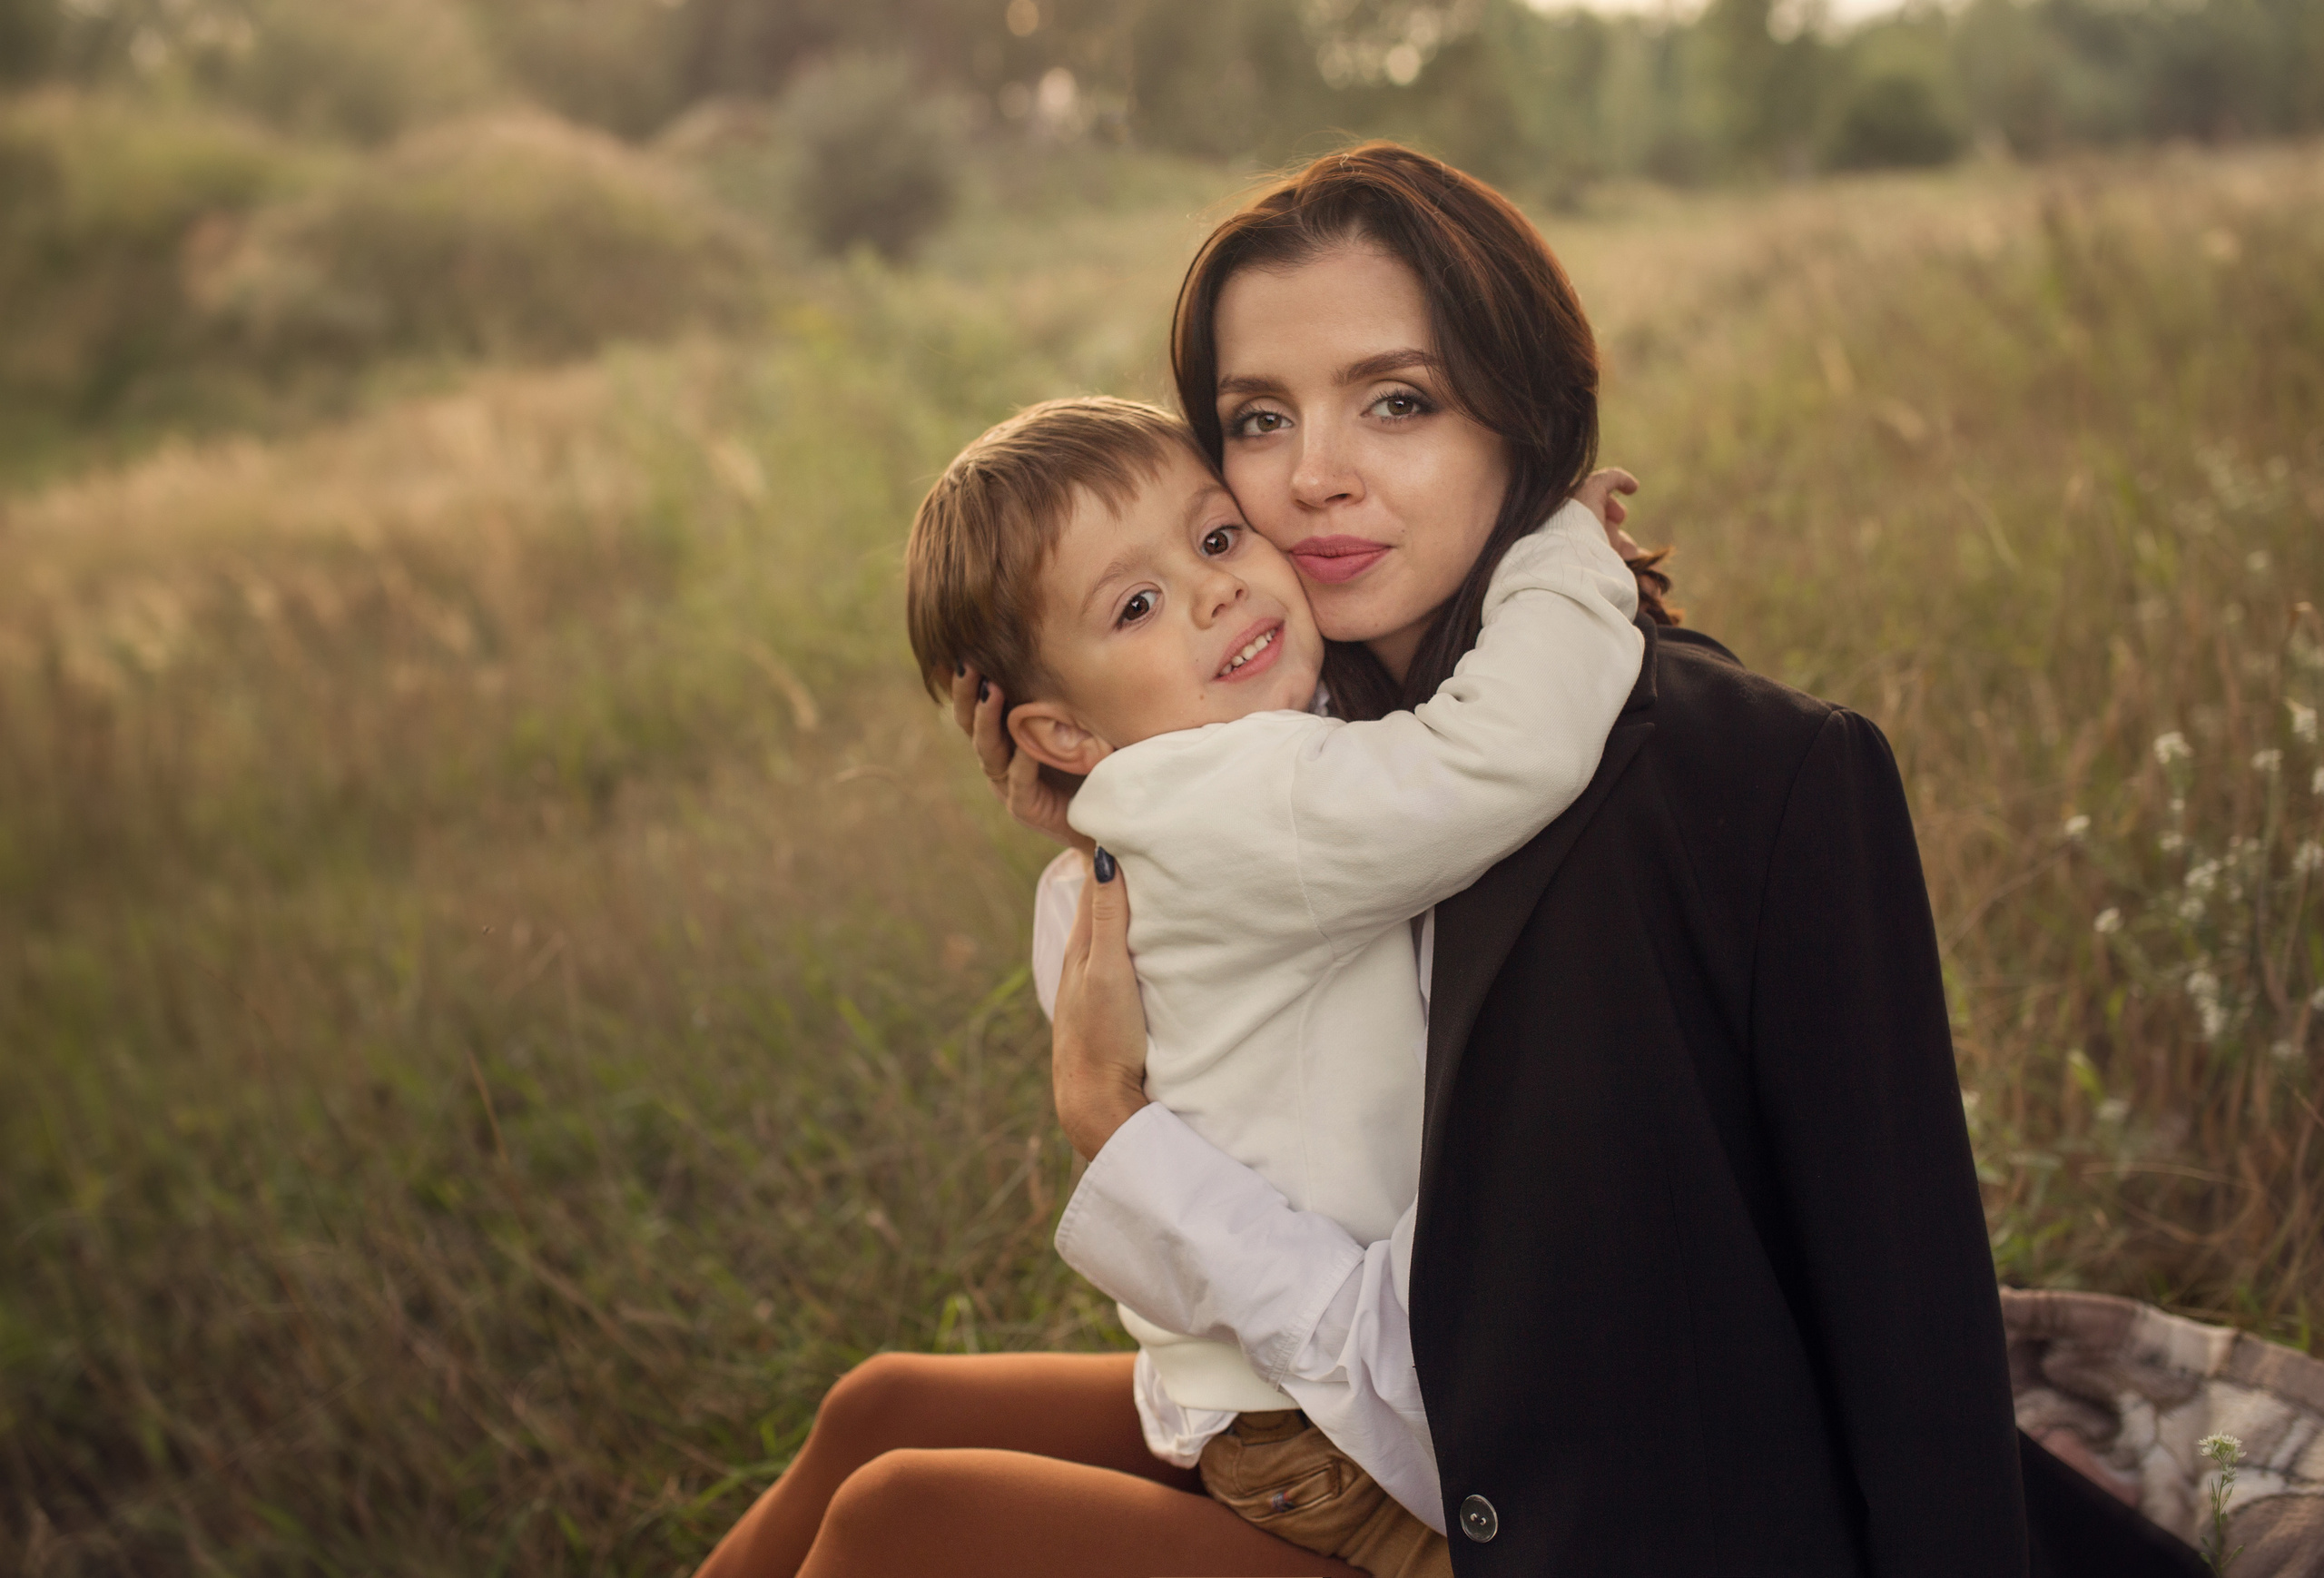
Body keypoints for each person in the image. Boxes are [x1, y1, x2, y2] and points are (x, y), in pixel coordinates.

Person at [698, 143, 2209, 1577]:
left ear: (1523, 415)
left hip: (1542, 1513)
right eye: (1261, 420)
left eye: (1398, 403)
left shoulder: (1743, 779)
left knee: (909, 1520)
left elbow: (1906, 1323)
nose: (1311, 483)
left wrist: (1118, 1131)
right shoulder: (1321, 718)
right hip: (1371, 1416)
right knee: (880, 1409)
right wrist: (1110, 790)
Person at [901, 393, 1641, 1575]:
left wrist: (1092, 767)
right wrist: (1555, 548)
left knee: (884, 1431)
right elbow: (1506, 752)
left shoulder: (1127, 841)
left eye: (1214, 537)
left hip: (1243, 1398)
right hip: (1341, 1433)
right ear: (1056, 729)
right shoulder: (1251, 796)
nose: (1214, 591)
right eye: (1135, 605)